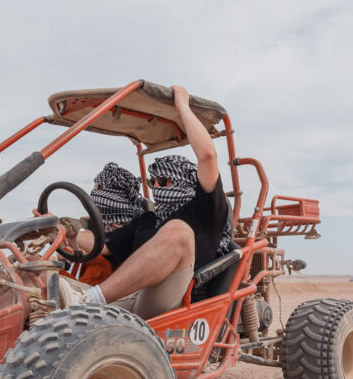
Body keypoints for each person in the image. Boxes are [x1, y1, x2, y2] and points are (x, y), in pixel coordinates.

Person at [59, 85, 230, 319]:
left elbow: (207, 156)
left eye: (164, 181)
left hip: (175, 303)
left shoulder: (205, 212)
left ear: (186, 180)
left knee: (178, 231)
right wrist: (61, 232)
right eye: (153, 182)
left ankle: (91, 300)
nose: (157, 187)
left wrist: (182, 106)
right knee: (39, 283)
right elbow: (104, 244)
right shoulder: (148, 220)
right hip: (128, 299)